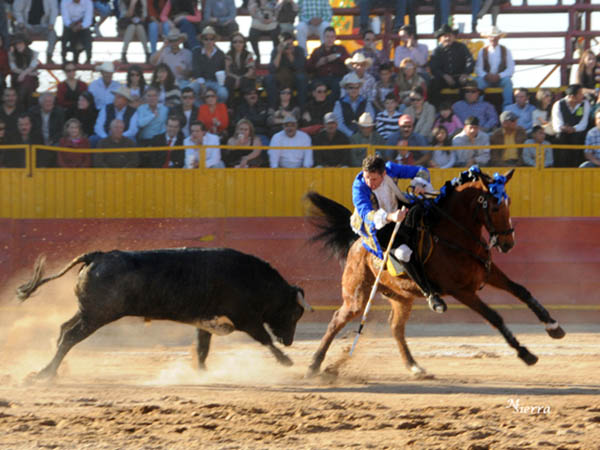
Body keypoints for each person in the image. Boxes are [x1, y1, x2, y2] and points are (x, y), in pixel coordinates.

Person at [350, 154, 446, 313]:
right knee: (403, 254)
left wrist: (419, 184)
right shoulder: (359, 187)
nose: (369, 183)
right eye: (367, 178)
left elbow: (422, 171)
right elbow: (367, 214)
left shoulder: (391, 168)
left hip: (399, 209)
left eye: (374, 179)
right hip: (378, 227)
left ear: (384, 174)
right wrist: (390, 217)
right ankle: (430, 293)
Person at [429, 24, 474, 105]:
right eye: (445, 36)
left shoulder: (462, 47)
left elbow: (470, 61)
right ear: (440, 39)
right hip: (443, 79)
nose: (447, 38)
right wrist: (444, 76)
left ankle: (465, 108)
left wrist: (465, 73)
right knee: (433, 84)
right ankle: (437, 109)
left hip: (460, 77)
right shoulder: (437, 51)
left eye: (450, 35)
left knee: (468, 86)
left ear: (454, 37)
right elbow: (433, 67)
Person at [305, 27, 349, 103]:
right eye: (327, 37)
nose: (329, 39)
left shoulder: (340, 49)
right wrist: (318, 64)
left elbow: (348, 60)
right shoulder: (317, 51)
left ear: (335, 38)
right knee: (317, 87)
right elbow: (308, 68)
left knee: (337, 86)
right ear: (323, 38)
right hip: (321, 78)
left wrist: (337, 56)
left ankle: (332, 108)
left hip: (337, 77)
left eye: (332, 37)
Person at [264, 32, 307, 109]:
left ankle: (302, 108)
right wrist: (279, 53)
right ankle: (272, 108)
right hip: (280, 78)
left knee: (302, 78)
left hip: (294, 77)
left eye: (290, 43)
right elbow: (272, 69)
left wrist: (290, 54)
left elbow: (300, 67)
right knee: (269, 78)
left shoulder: (299, 50)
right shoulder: (276, 51)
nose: (288, 46)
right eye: (286, 44)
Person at [474, 26, 515, 108]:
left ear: (499, 37)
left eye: (495, 36)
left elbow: (511, 68)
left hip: (500, 79)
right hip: (486, 79)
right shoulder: (482, 51)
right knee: (478, 81)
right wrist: (486, 75)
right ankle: (478, 105)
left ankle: (508, 107)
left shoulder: (506, 50)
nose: (493, 39)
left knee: (507, 81)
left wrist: (499, 76)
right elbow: (478, 69)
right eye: (491, 36)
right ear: (488, 38)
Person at [551, 84, 590, 167]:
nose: (582, 95)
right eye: (580, 93)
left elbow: (584, 123)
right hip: (563, 134)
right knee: (560, 137)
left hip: (578, 134)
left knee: (578, 138)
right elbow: (557, 124)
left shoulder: (585, 104)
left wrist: (574, 129)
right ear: (572, 96)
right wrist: (563, 128)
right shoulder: (558, 104)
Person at [333, 72, 376, 139]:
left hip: (363, 136)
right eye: (351, 88)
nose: (354, 90)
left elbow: (370, 119)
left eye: (357, 88)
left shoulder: (366, 102)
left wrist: (360, 135)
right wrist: (351, 134)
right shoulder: (339, 103)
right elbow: (339, 124)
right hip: (345, 137)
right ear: (346, 89)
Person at [191, 26, 228, 103]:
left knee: (223, 93)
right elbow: (196, 70)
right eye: (206, 39)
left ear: (214, 40)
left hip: (215, 82)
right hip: (200, 81)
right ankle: (200, 110)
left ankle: (216, 109)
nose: (209, 41)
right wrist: (202, 85)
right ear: (202, 40)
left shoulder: (220, 54)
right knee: (190, 91)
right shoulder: (196, 52)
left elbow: (222, 71)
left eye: (211, 39)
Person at [9, 33, 38, 110]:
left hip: (30, 80)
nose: (18, 45)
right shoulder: (11, 54)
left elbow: (32, 66)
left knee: (27, 81)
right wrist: (29, 73)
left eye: (20, 43)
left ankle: (20, 107)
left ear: (25, 43)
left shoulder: (34, 53)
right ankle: (27, 108)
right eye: (16, 44)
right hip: (17, 79)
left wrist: (24, 74)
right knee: (27, 81)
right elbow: (13, 68)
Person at [224, 32, 256, 100]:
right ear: (232, 44)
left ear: (244, 43)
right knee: (228, 82)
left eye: (240, 42)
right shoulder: (228, 55)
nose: (238, 44)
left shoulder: (249, 54)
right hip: (233, 77)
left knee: (245, 82)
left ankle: (244, 106)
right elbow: (227, 71)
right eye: (235, 42)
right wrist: (236, 78)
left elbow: (251, 71)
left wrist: (240, 79)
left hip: (246, 77)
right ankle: (230, 107)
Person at [60, 0, 93, 64]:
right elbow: (65, 18)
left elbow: (88, 20)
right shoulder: (64, 2)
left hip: (82, 25)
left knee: (88, 36)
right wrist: (71, 25)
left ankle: (88, 59)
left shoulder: (88, 2)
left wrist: (80, 26)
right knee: (65, 37)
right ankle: (64, 58)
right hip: (69, 25)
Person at [248, 0, 279, 65]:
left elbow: (278, 12)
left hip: (272, 24)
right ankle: (257, 56)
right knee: (252, 35)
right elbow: (252, 13)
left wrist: (272, 19)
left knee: (277, 35)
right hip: (257, 24)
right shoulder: (254, 1)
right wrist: (260, 17)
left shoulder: (275, 1)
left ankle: (274, 57)